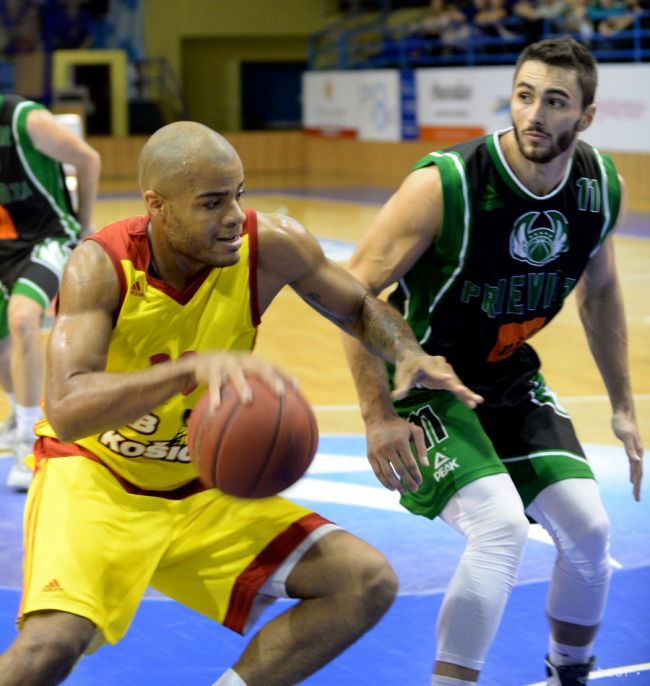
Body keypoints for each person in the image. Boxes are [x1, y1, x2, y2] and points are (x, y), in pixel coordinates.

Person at [0, 120, 483, 686]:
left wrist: (406, 352)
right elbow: (67, 404)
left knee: (363, 581)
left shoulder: (271, 245)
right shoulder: (100, 266)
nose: (232, 215)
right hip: (97, 481)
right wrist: (185, 371)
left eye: (238, 194)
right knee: (47, 649)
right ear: (157, 206)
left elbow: (358, 306)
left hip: (202, 486)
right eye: (211, 202)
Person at [341, 37, 643, 686]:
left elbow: (605, 293)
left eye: (555, 102)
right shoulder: (445, 183)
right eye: (524, 95)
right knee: (500, 529)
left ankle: (569, 672)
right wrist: (374, 416)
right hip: (419, 379)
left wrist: (622, 405)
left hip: (507, 377)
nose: (534, 113)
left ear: (586, 116)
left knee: (590, 536)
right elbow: (349, 294)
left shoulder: (598, 186)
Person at [0, 94, 100, 491]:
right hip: (3, 244)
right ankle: (17, 415)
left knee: (23, 318)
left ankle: (29, 439)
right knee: (3, 344)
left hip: (47, 237)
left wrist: (84, 224)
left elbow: (87, 159)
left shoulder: (24, 120)